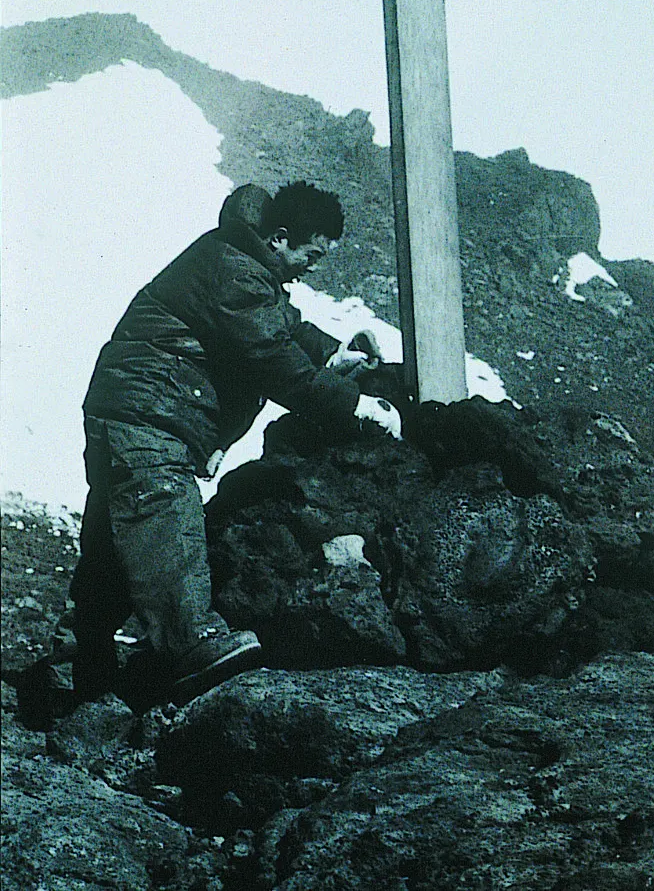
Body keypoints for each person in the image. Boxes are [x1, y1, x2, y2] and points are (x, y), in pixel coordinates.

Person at [53, 180, 403, 709]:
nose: (314, 267)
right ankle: (191, 641)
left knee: (119, 529)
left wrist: (337, 354)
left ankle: (78, 646)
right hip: (149, 413)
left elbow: (284, 331)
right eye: (312, 254)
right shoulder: (236, 273)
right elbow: (276, 363)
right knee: (161, 509)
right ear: (282, 238)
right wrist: (356, 407)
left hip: (136, 407)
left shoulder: (242, 264)